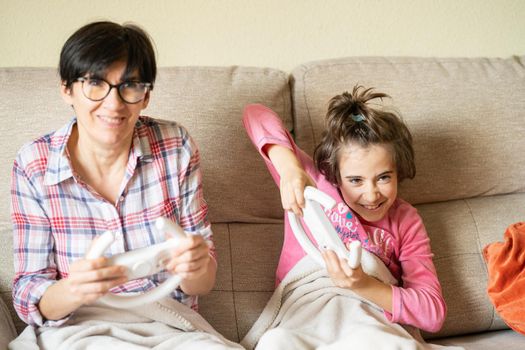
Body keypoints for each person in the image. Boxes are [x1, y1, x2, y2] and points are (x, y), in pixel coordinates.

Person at [10, 21, 240, 349]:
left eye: (130, 85)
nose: (114, 104)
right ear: (66, 89)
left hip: (169, 325)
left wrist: (195, 264)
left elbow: (201, 283)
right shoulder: (34, 163)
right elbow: (27, 294)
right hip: (79, 327)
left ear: (145, 95)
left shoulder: (176, 146)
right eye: (95, 84)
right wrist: (75, 289)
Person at [242, 86, 448, 348]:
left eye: (384, 177)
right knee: (276, 341)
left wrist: (363, 285)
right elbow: (254, 113)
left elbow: (433, 312)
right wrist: (290, 169)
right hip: (306, 315)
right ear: (335, 174)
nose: (372, 195)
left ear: (399, 171)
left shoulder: (405, 220)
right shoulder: (311, 185)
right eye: (355, 181)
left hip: (367, 321)